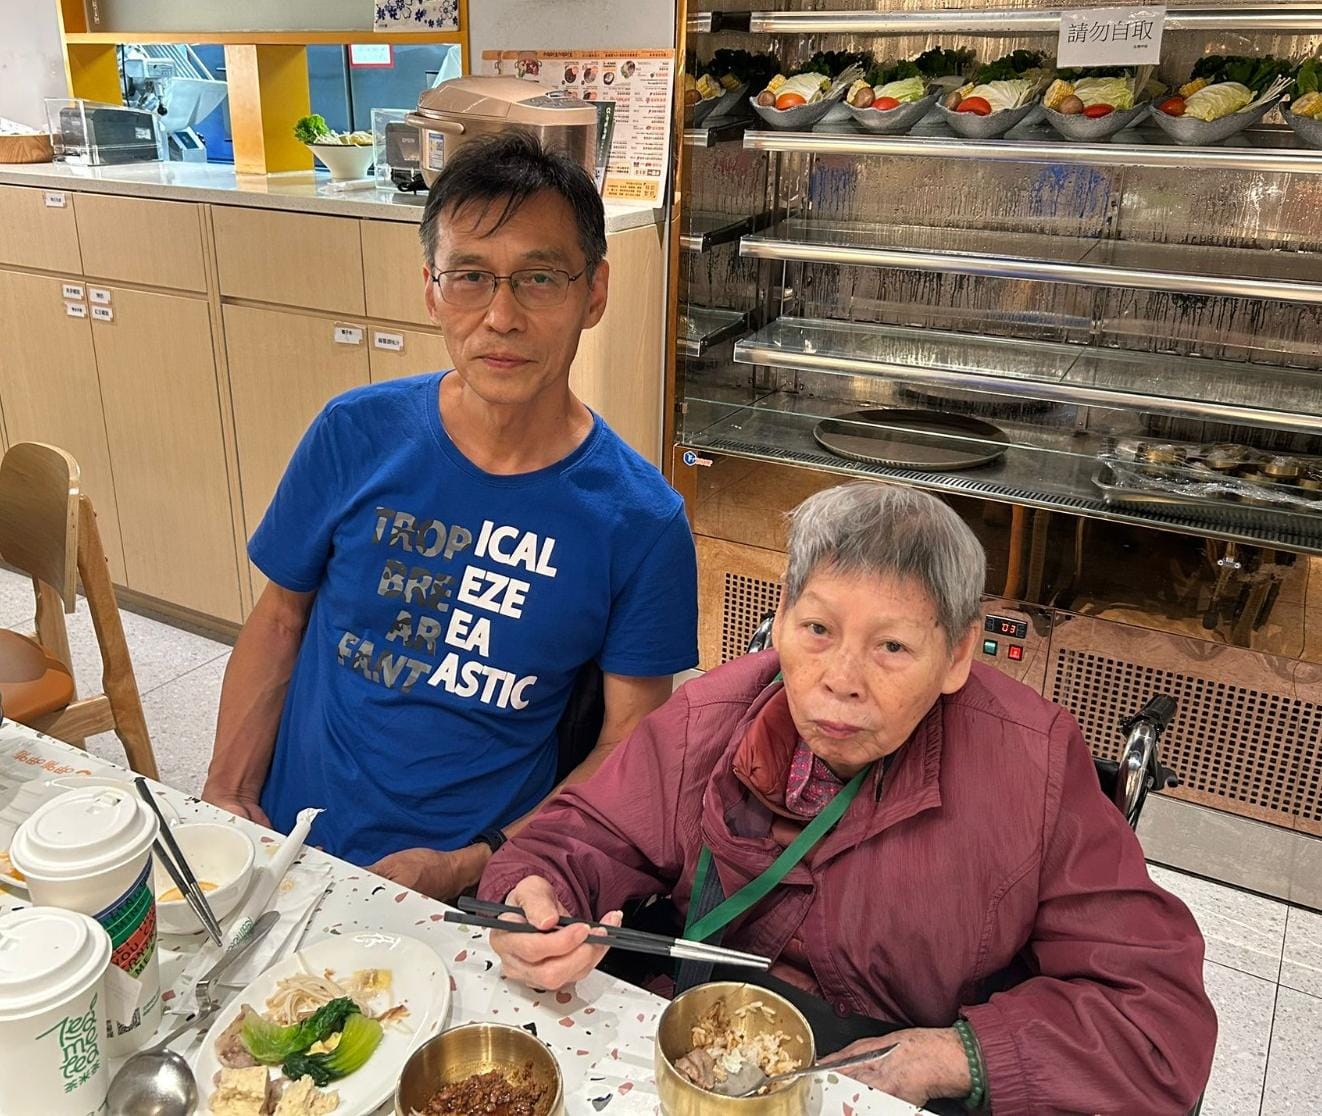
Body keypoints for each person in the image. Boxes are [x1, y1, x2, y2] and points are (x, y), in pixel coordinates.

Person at [479, 483, 1217, 1114]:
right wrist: (535, 898)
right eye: (817, 629)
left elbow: (1155, 1021)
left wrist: (953, 1058)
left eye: (892, 646)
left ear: (958, 654)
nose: (840, 679)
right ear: (782, 618)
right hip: (705, 1057)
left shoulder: (1034, 766)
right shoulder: (714, 716)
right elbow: (577, 840)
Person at [203, 132, 698, 899]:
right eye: (469, 277)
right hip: (289, 843)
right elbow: (278, 621)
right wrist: (229, 793)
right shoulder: (354, 433)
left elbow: (627, 744)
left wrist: (472, 864)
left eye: (540, 278)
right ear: (432, 291)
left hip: (477, 878)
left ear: (594, 293)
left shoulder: (642, 523)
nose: (500, 316)